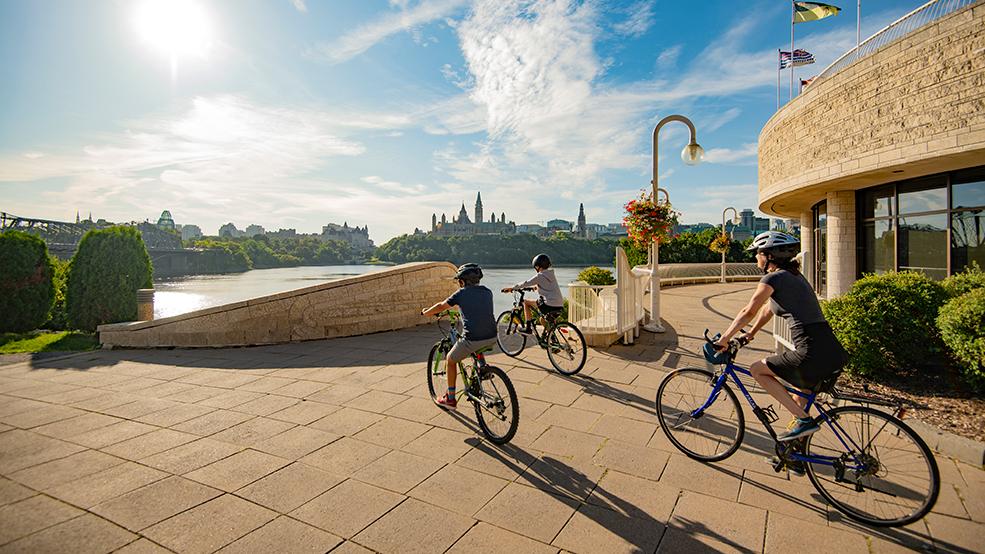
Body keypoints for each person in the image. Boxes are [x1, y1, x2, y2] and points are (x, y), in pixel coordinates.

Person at [713, 231, 847, 442]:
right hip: (831, 350)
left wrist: (724, 339)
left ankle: (804, 421)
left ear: (769, 256)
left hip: (810, 351)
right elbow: (767, 309)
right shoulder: (794, 276)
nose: (756, 257)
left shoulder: (772, 278)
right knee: (798, 398)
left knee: (757, 370)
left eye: (757, 253)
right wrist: (749, 335)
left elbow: (749, 311)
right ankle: (794, 455)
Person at [421, 263, 497, 409]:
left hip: (473, 339)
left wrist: (426, 312)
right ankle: (482, 368)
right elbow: (478, 311)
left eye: (459, 281)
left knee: (450, 359)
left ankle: (450, 398)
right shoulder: (487, 292)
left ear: (462, 281)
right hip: (492, 336)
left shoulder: (461, 294)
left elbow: (441, 306)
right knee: (479, 338)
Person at [502, 253, 564, 334]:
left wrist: (512, 288)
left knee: (525, 302)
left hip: (549, 305)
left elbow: (525, 283)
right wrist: (535, 287)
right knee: (542, 320)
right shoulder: (551, 275)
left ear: (537, 266)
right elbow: (547, 285)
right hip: (559, 305)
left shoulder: (540, 276)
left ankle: (528, 328)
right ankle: (551, 339)